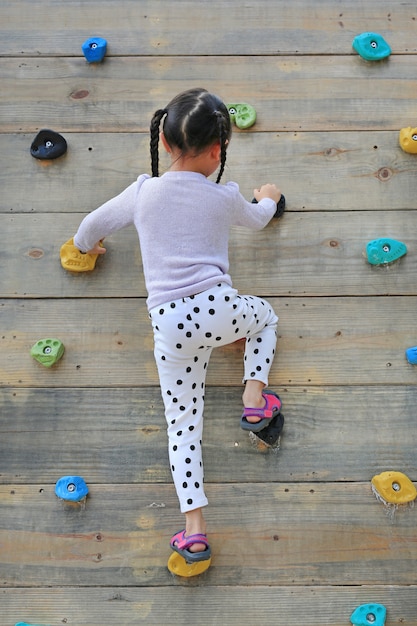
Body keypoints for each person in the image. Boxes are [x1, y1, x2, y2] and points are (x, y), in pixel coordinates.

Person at [69, 87, 282, 565]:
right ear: (217, 151)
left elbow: (89, 226)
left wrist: (88, 246)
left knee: (182, 421)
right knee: (265, 317)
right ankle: (253, 396)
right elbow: (258, 219)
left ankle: (195, 529)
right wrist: (268, 199)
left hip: (170, 325)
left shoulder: (144, 192)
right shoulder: (225, 197)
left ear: (164, 144)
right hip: (219, 310)